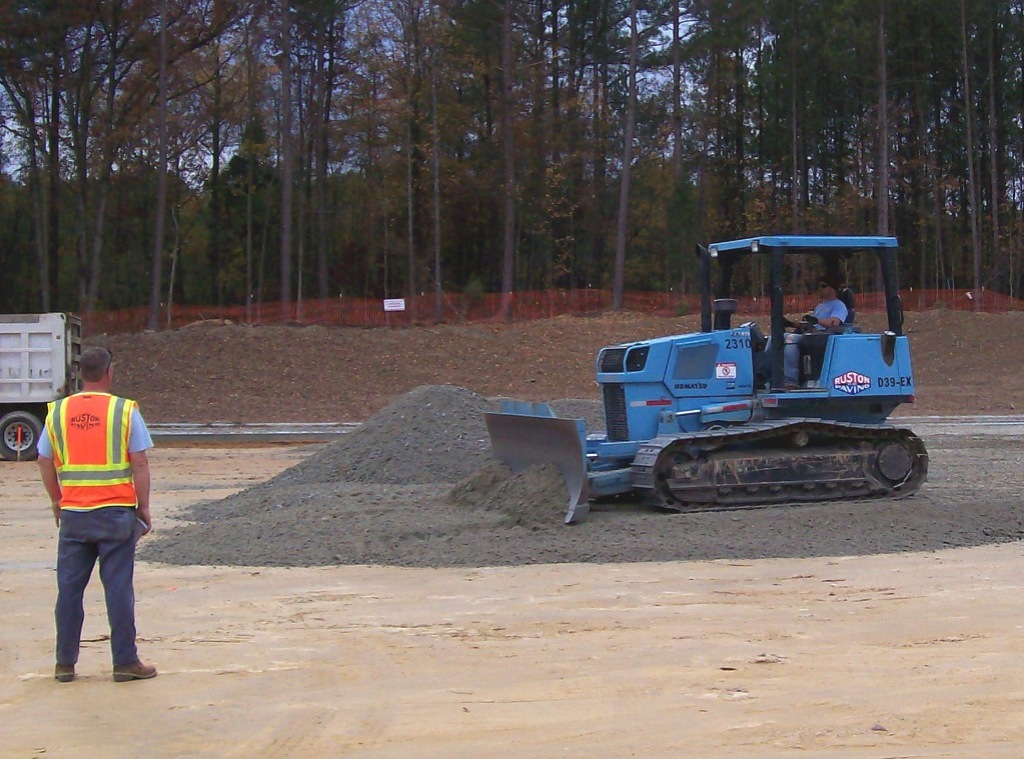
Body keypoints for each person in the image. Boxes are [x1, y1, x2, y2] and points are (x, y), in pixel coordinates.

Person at [36, 346, 157, 683]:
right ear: (109, 372)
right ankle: (124, 662)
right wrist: (144, 507)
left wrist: (56, 500)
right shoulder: (124, 411)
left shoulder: (58, 412)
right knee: (118, 587)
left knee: (69, 590)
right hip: (116, 514)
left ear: (80, 375)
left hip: (74, 516)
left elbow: (44, 459)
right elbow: (140, 462)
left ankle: (64, 664)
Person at [781, 274, 849, 388]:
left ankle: (791, 381)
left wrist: (816, 320)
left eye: (823, 286)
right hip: (810, 335)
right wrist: (790, 324)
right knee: (775, 337)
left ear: (832, 288)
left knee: (790, 339)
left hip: (822, 339)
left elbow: (835, 322)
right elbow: (810, 323)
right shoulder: (820, 306)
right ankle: (767, 376)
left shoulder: (839, 306)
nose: (819, 289)